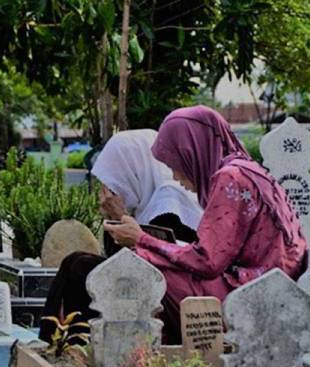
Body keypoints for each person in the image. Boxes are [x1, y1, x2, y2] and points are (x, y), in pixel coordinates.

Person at [104, 106, 308, 344]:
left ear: (193, 152)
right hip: (274, 292)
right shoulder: (248, 169)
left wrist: (141, 239)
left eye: (176, 165)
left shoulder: (230, 177)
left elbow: (207, 261)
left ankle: (155, 351)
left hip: (250, 300)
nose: (176, 177)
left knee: (144, 267)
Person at [39, 129, 203, 343]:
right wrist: (116, 218)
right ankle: (60, 341)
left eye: (115, 179)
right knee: (78, 263)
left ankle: (72, 342)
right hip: (149, 287)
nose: (110, 190)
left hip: (173, 297)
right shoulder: (147, 201)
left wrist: (120, 216)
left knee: (79, 266)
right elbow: (118, 258)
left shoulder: (171, 200)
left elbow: (156, 261)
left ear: (134, 170)